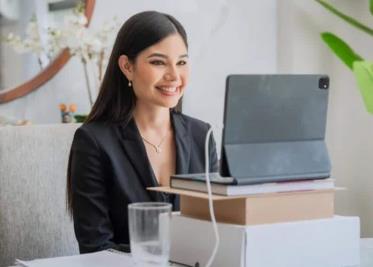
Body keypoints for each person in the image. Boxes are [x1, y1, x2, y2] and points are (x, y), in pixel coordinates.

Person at [66, 10, 218, 254]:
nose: (174, 76)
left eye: (181, 62)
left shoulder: (203, 135)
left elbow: (218, 228)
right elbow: (95, 247)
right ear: (127, 66)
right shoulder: (94, 141)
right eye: (158, 62)